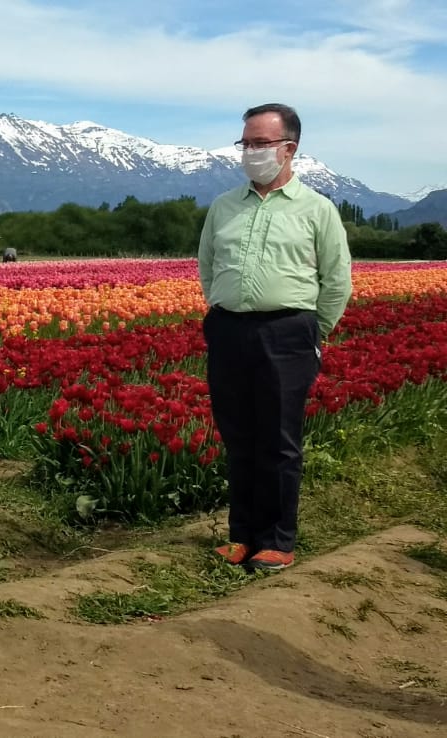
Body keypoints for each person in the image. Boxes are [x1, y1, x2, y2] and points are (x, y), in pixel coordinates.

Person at [199, 103, 352, 572]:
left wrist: (312, 333)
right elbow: (207, 267)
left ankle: (277, 538)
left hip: (288, 332)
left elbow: (337, 279)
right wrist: (227, 309)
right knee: (238, 435)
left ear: (290, 149)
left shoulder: (316, 209)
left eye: (260, 143)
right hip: (229, 331)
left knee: (280, 440)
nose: (250, 152)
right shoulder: (224, 206)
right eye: (245, 143)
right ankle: (241, 534)